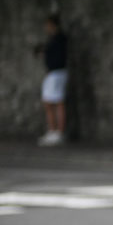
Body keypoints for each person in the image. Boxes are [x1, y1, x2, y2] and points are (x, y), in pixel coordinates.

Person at [37, 14, 70, 145]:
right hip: (55, 73)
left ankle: (57, 131)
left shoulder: (58, 39)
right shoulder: (56, 39)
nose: (46, 27)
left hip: (56, 73)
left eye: (48, 24)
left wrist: (46, 53)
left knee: (55, 102)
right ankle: (54, 131)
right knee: (51, 101)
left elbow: (58, 57)